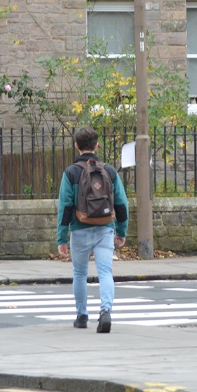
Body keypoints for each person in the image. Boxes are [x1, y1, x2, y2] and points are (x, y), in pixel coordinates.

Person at [55, 126, 129, 333]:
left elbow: (65, 207)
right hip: (105, 228)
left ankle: (81, 316)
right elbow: (122, 203)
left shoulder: (71, 173)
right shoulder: (109, 171)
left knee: (79, 273)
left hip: (79, 229)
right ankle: (105, 310)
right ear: (97, 145)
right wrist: (121, 231)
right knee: (105, 271)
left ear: (76, 145)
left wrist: (61, 238)